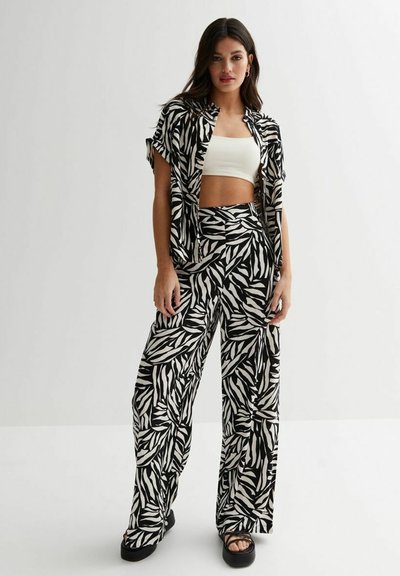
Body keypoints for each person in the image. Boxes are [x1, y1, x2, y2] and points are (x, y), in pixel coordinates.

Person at [120, 17, 292, 568]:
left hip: (252, 259)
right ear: (205, 62)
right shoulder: (179, 117)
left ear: (250, 62)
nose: (226, 68)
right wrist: (164, 266)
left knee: (251, 395)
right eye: (217, 58)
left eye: (236, 57)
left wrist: (286, 273)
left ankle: (239, 518)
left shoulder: (266, 129)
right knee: (160, 387)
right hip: (192, 259)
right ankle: (152, 512)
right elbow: (162, 195)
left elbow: (275, 205)